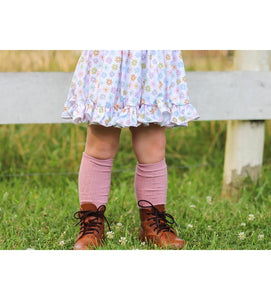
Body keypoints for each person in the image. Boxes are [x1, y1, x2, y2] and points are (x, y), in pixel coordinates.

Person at [61, 50, 200, 250]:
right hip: (110, 56)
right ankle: (92, 223)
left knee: (152, 142)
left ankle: (152, 225)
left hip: (151, 58)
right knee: (101, 141)